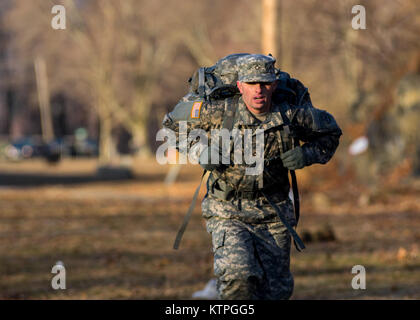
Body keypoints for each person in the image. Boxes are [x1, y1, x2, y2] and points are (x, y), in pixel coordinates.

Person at [162, 54, 342, 300]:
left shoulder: (291, 114)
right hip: (227, 209)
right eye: (251, 83)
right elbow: (171, 125)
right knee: (239, 279)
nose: (258, 90)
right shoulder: (217, 111)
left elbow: (331, 133)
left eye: (265, 83)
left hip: (274, 211)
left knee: (275, 292)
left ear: (274, 84)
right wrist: (199, 151)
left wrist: (306, 154)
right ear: (239, 85)